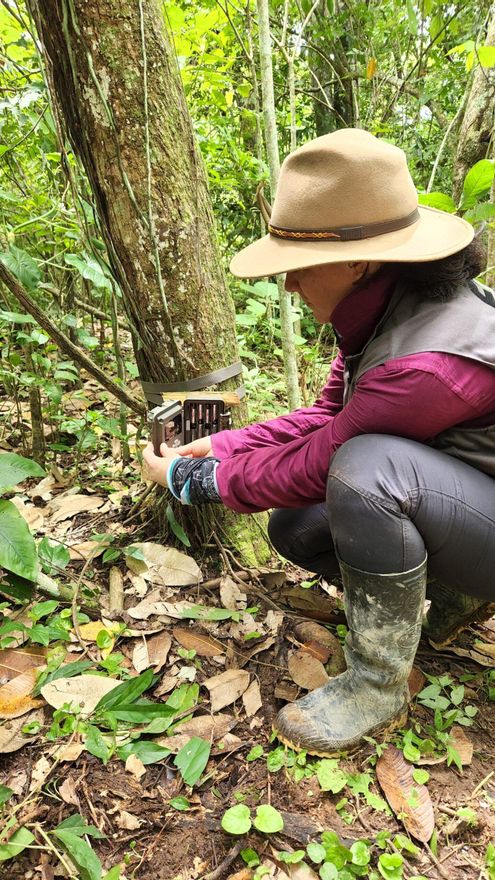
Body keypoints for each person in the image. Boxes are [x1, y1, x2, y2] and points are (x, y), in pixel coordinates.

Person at [143, 128, 495, 757]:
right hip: (473, 501)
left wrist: (199, 482)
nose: (288, 287)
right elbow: (327, 416)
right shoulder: (387, 314)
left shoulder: (424, 363)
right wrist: (225, 445)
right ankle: (456, 595)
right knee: (297, 526)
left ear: (357, 262)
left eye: (297, 268)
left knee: (364, 472)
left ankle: (377, 684)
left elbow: (332, 455)